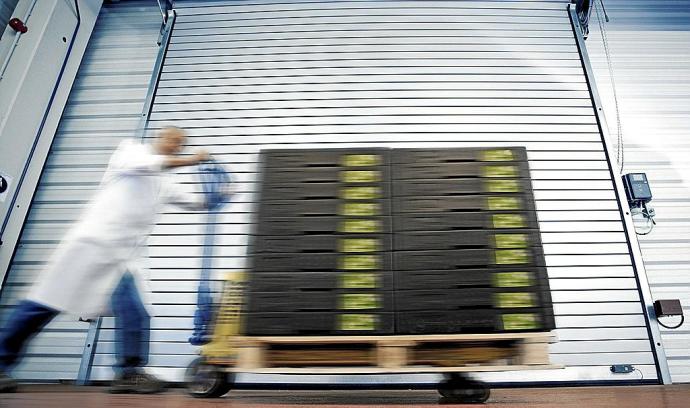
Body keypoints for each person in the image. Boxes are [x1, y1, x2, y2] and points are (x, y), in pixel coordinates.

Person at [0, 127, 219, 394]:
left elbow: (193, 202)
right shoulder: (131, 151)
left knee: (134, 309)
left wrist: (219, 194)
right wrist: (193, 160)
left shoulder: (165, 182)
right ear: (160, 138)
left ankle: (129, 373)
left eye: (181, 144)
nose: (176, 146)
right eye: (173, 140)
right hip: (90, 245)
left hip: (120, 258)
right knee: (44, 304)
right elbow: (149, 164)